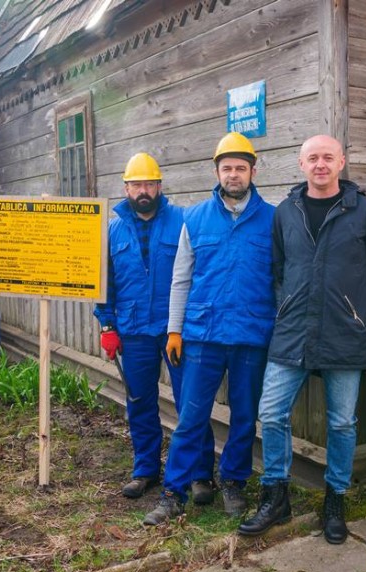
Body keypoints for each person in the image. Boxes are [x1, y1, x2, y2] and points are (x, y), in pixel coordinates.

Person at [236, 135, 366, 544]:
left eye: (327, 158)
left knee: (341, 422)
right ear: (300, 165)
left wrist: (349, 307)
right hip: (292, 331)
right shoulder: (286, 212)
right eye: (312, 158)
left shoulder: (365, 213)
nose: (320, 165)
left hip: (345, 332)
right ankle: (276, 494)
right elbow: (278, 268)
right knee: (271, 413)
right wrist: (289, 304)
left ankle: (335, 498)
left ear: (341, 161)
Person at [143, 132, 275, 525]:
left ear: (253, 171)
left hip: (252, 335)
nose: (233, 175)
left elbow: (281, 278)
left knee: (245, 416)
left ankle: (234, 482)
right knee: (191, 416)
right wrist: (174, 330)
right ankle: (173, 491)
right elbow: (180, 278)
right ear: (216, 171)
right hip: (203, 335)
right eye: (226, 168)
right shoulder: (195, 218)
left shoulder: (273, 220)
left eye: (240, 167)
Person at [95, 153, 214, 501]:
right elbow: (105, 283)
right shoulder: (113, 230)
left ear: (160, 186)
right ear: (126, 188)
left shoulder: (183, 221)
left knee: (190, 402)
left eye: (149, 184)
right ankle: (145, 469)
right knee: (140, 401)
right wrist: (107, 325)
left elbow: (198, 273)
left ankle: (200, 474)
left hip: (177, 329)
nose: (143, 191)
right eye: (136, 185)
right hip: (134, 332)